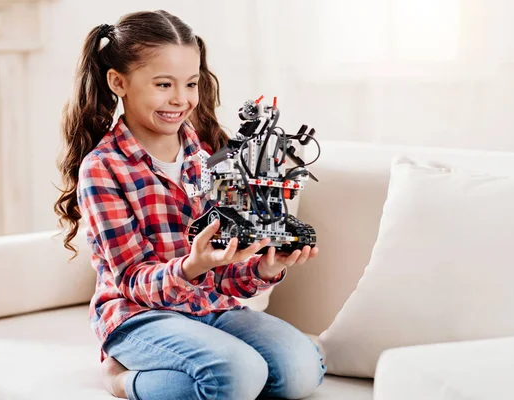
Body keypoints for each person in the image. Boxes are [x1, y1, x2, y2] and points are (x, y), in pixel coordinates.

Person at [54, 10, 325, 400]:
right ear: (119, 83)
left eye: (191, 83)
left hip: (209, 306)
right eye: (163, 84)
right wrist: (192, 265)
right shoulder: (103, 168)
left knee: (302, 369)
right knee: (238, 374)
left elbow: (223, 272)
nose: (180, 99)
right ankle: (120, 377)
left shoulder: (209, 155)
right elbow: (131, 279)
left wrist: (264, 267)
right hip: (139, 315)